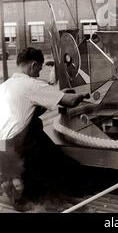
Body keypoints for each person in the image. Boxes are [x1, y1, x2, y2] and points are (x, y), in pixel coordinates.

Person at [0, 47, 90, 210]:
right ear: (33, 65)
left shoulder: (5, 86)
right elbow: (70, 101)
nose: (39, 74)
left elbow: (29, 109)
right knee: (65, 166)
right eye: (39, 70)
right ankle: (42, 198)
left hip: (2, 147)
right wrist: (84, 94)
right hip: (18, 148)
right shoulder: (31, 84)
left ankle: (15, 186)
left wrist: (58, 94)